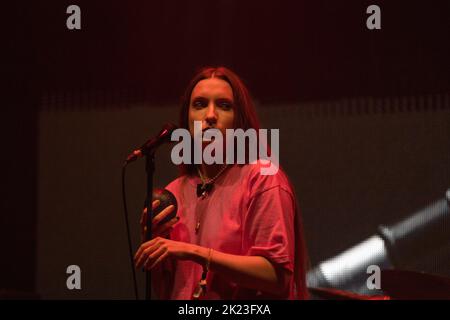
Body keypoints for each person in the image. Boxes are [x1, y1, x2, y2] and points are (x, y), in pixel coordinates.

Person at [134, 66, 309, 299]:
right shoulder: (174, 192)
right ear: (187, 120)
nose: (210, 115)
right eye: (199, 105)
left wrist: (194, 252)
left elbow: (276, 277)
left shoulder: (263, 178)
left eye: (224, 106)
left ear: (240, 121)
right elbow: (169, 291)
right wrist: (153, 248)